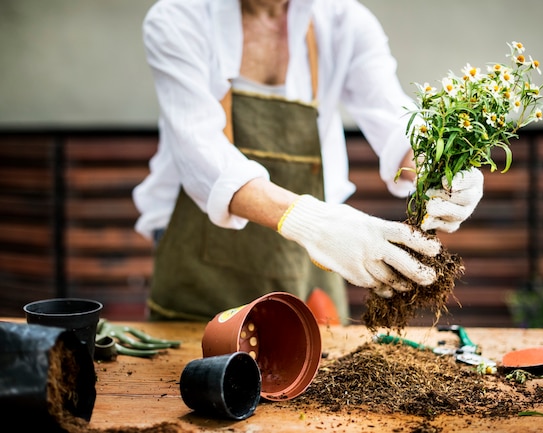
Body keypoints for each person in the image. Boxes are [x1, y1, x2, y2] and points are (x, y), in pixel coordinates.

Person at [132, 0, 484, 323]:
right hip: (200, 259)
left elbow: (393, 117)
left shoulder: (344, 22)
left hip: (309, 258)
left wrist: (439, 163)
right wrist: (316, 224)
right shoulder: (179, 19)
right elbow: (202, 154)